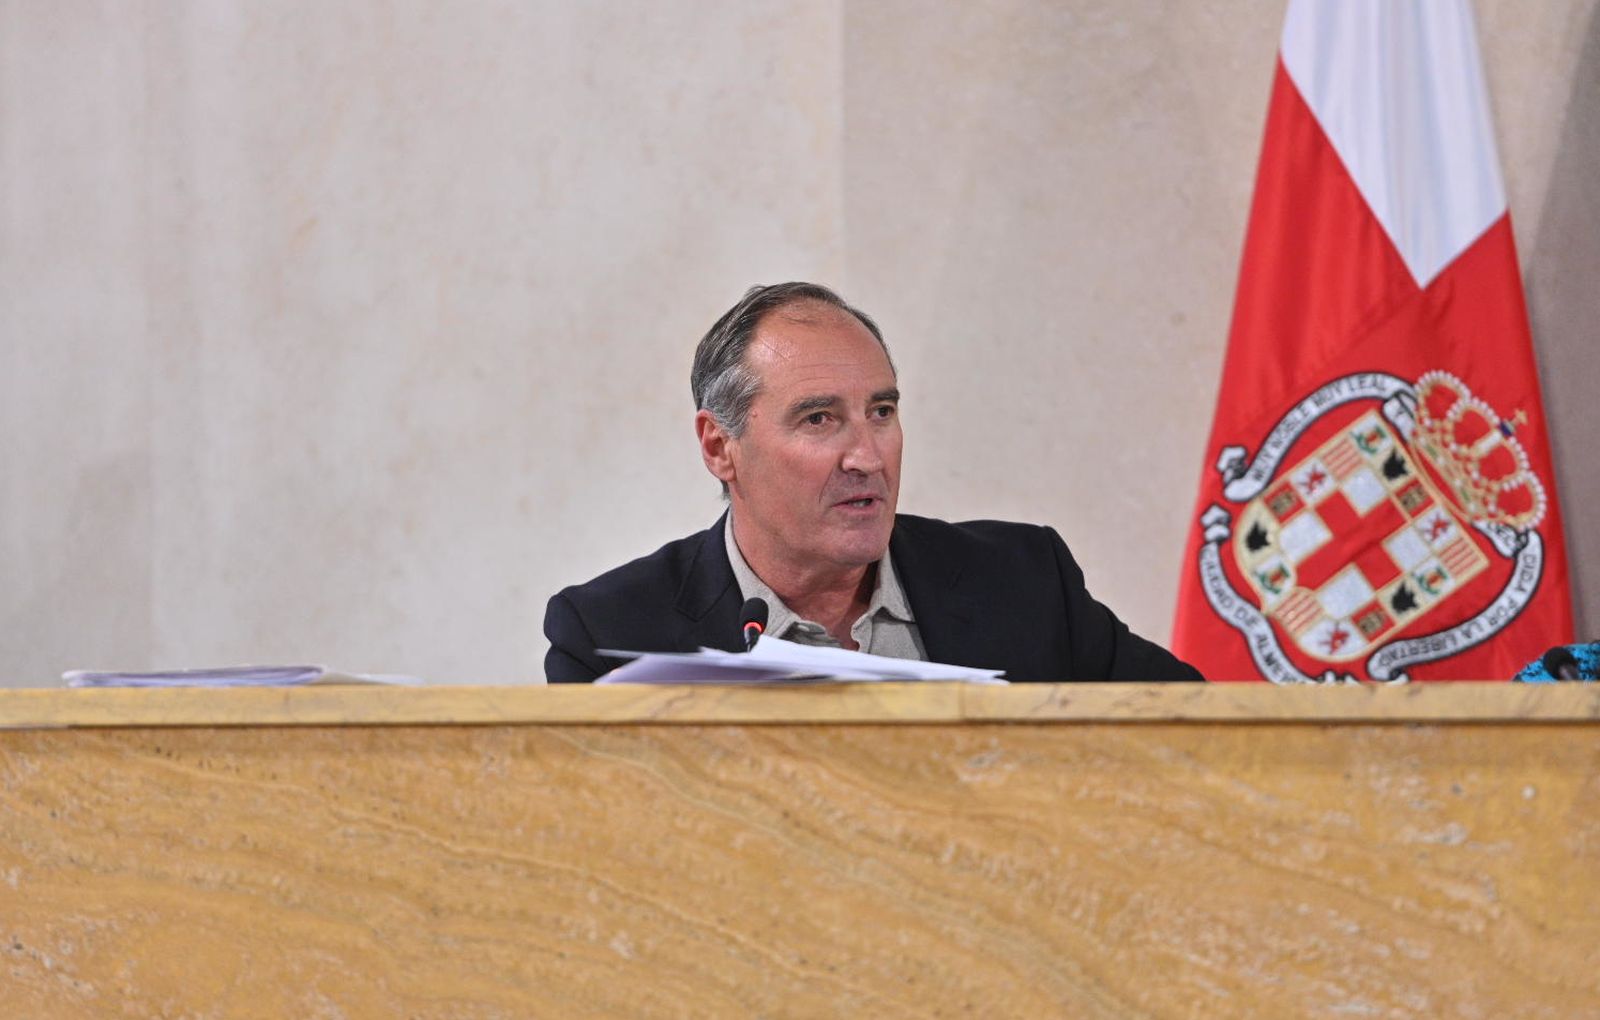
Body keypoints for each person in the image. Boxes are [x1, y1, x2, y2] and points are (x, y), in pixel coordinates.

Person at [544, 282, 1203, 683]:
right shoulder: (612, 634)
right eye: (819, 418)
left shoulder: (1024, 583)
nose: (867, 455)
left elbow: (1208, 742)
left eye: (881, 412)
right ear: (720, 447)